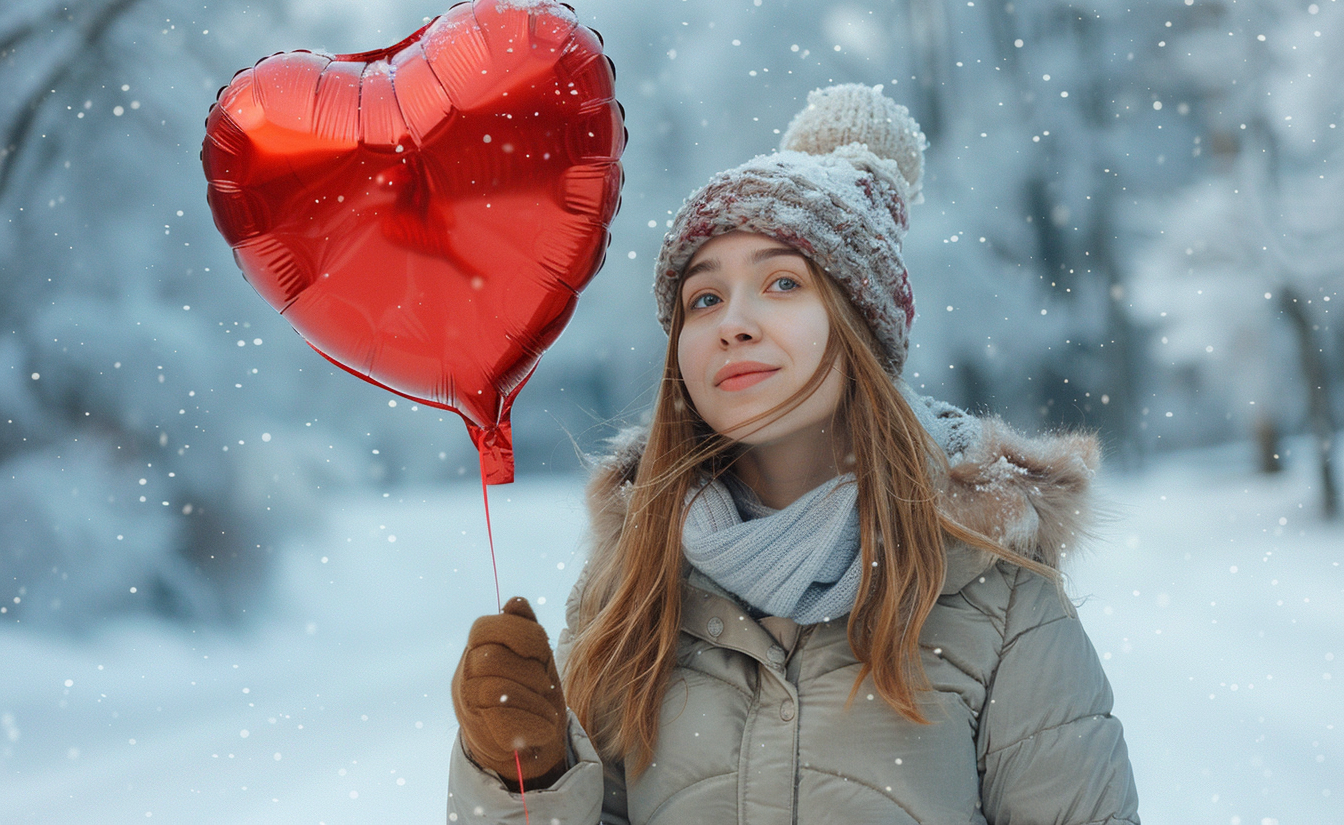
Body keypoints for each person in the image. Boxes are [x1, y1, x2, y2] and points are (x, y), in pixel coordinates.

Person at [447, 84, 1140, 824]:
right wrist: (525, 778)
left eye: (782, 283)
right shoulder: (631, 590)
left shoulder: (995, 597)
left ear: (860, 330)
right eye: (703, 299)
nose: (734, 322)